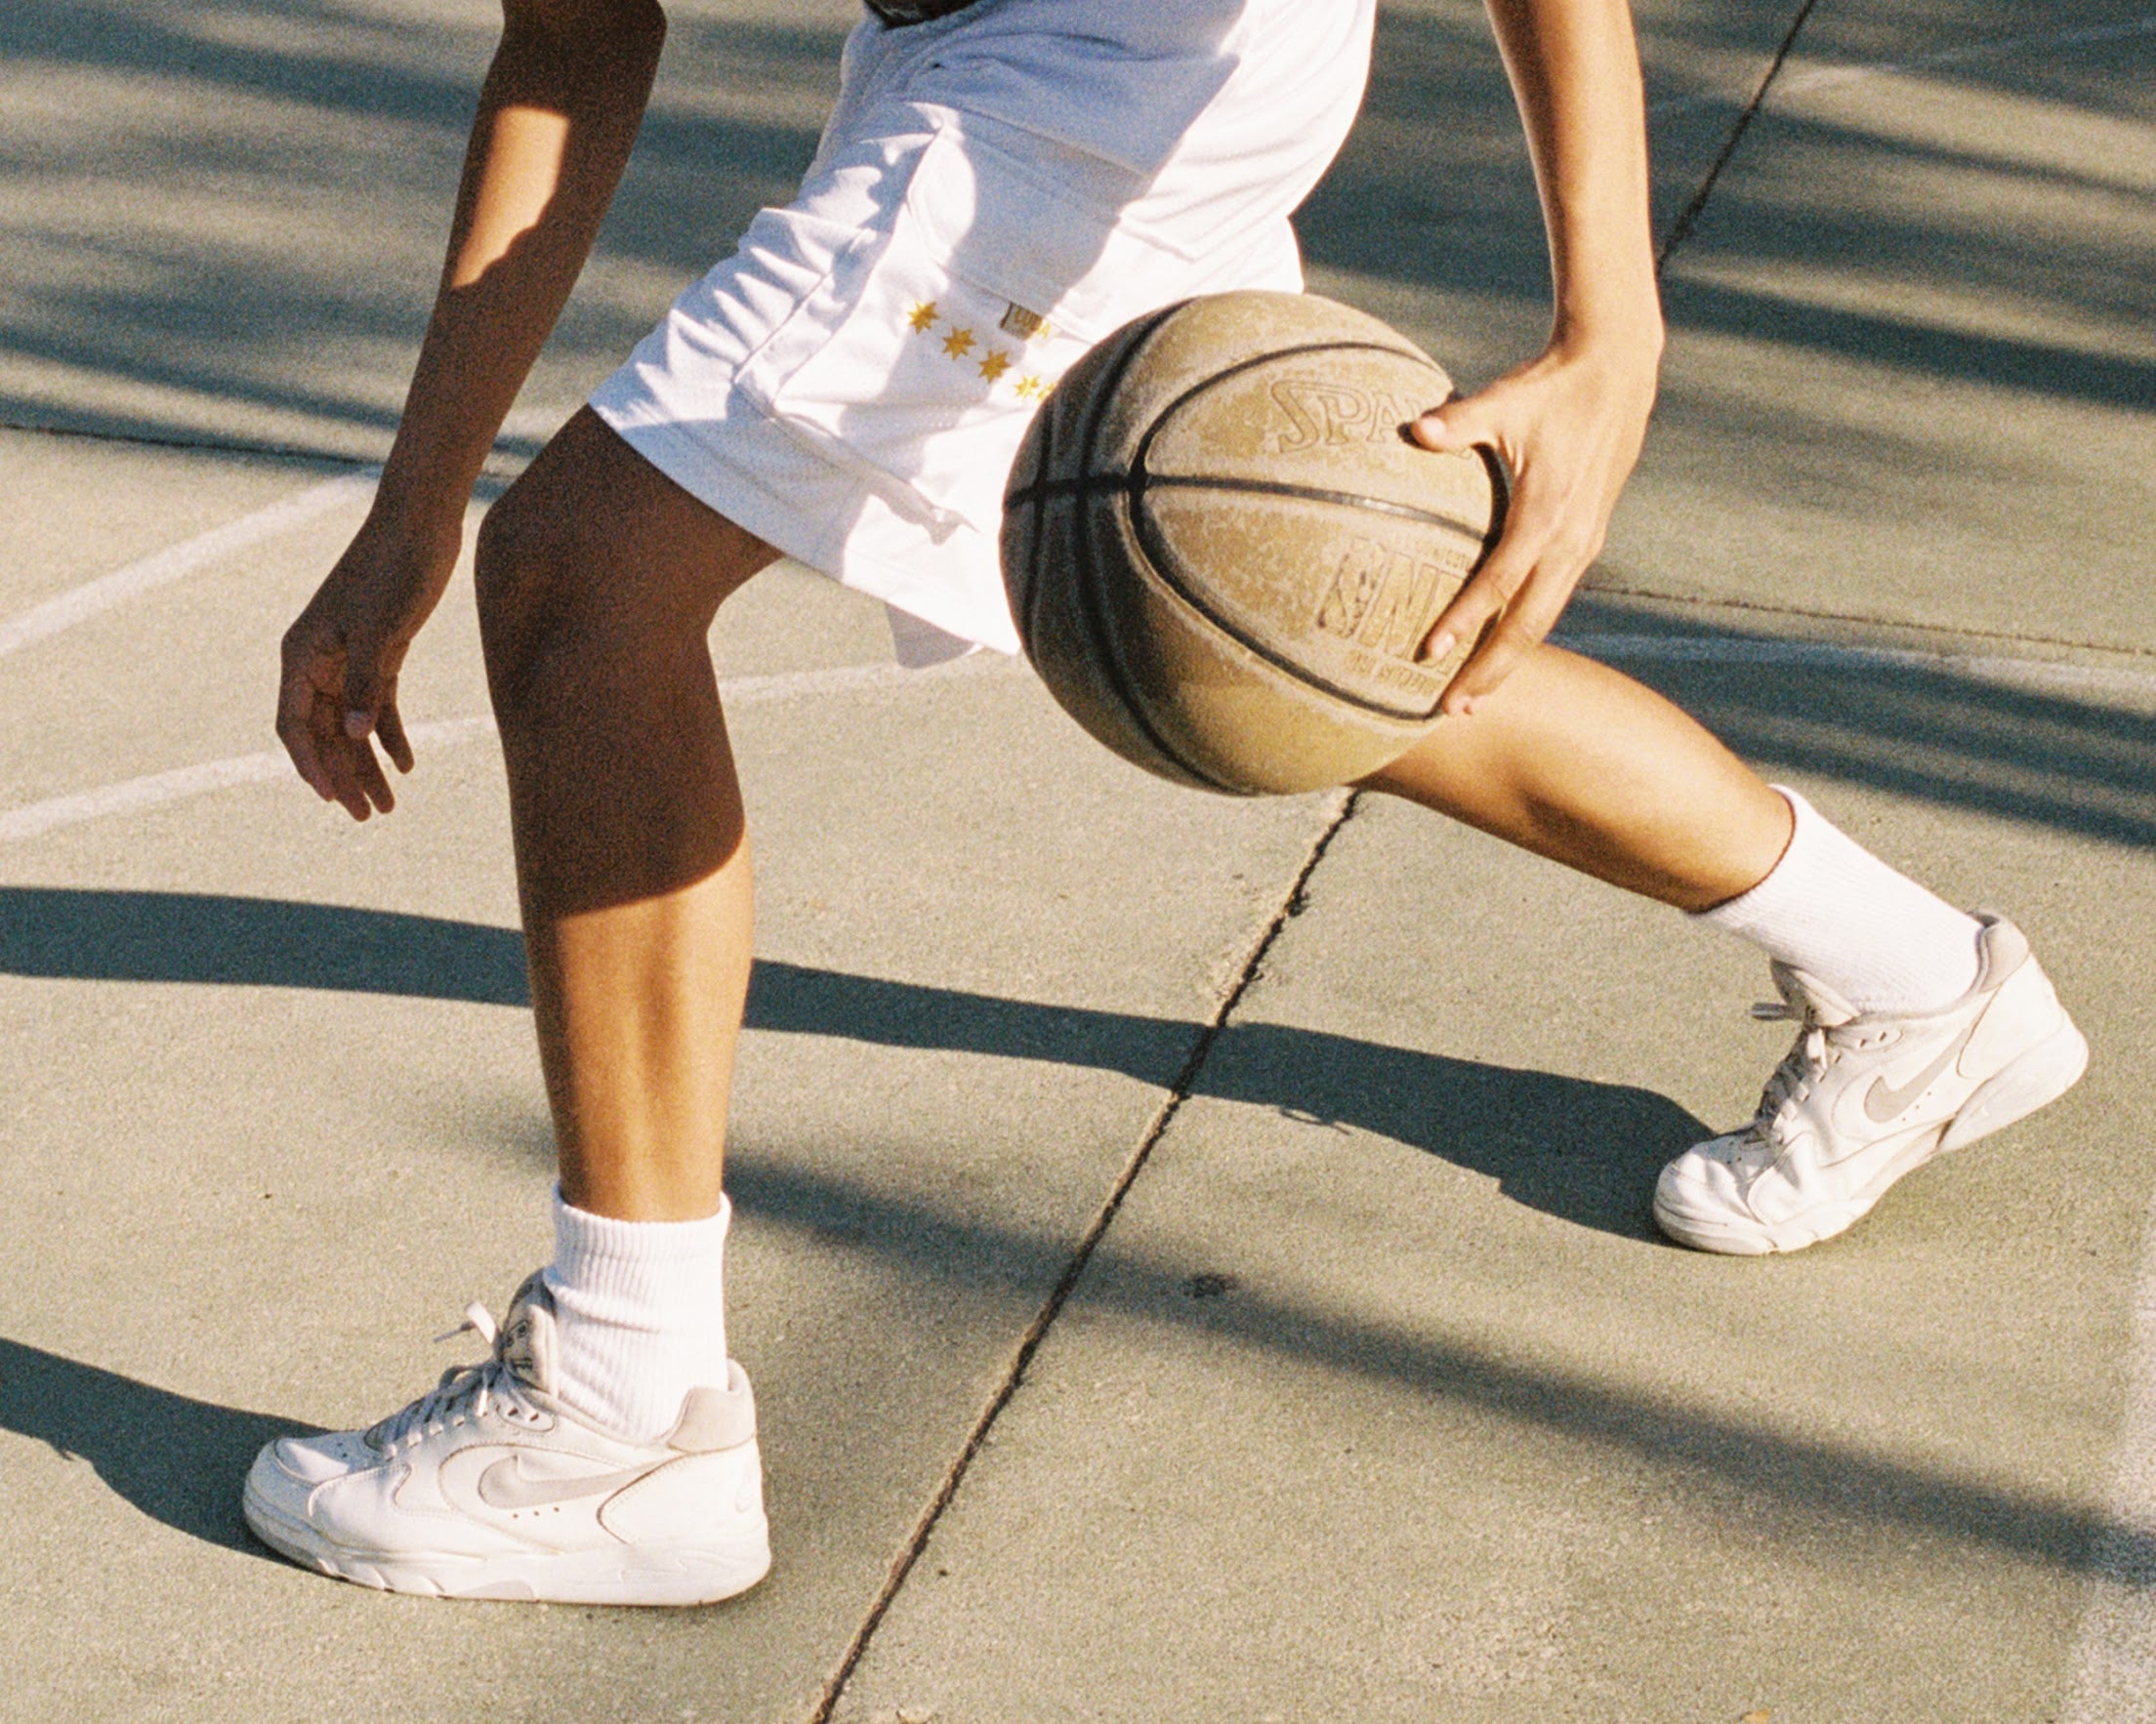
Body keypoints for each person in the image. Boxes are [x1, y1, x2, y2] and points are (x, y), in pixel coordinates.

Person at [249, 0, 2088, 1605]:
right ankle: (1921, 981)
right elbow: (576, 34)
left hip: (1121, 53)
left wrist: (1615, 329)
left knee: (585, 586)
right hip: (977, 57)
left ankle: (624, 1418)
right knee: (1262, 609)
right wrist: (411, 504)